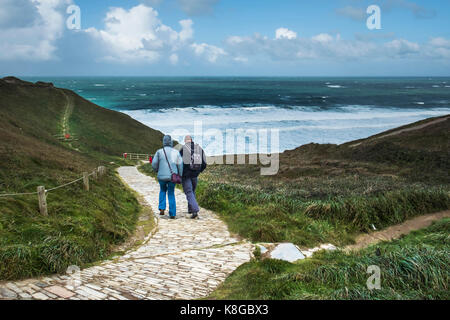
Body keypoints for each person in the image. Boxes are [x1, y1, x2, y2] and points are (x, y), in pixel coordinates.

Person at [152, 135, 183, 219]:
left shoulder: (159, 152)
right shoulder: (176, 152)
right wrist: (180, 175)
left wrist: (157, 170)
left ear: (163, 142)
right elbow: (180, 165)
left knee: (162, 190)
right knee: (171, 193)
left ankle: (162, 208)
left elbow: (154, 164)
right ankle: (172, 213)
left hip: (161, 176)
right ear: (171, 142)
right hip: (172, 177)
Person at [180, 135, 207, 219]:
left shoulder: (183, 149)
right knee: (192, 191)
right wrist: (199, 171)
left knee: (189, 192)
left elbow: (179, 163)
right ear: (191, 140)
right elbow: (204, 163)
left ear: (185, 141)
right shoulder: (199, 149)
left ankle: (195, 210)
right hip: (195, 175)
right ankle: (190, 209)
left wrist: (180, 173)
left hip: (186, 175)